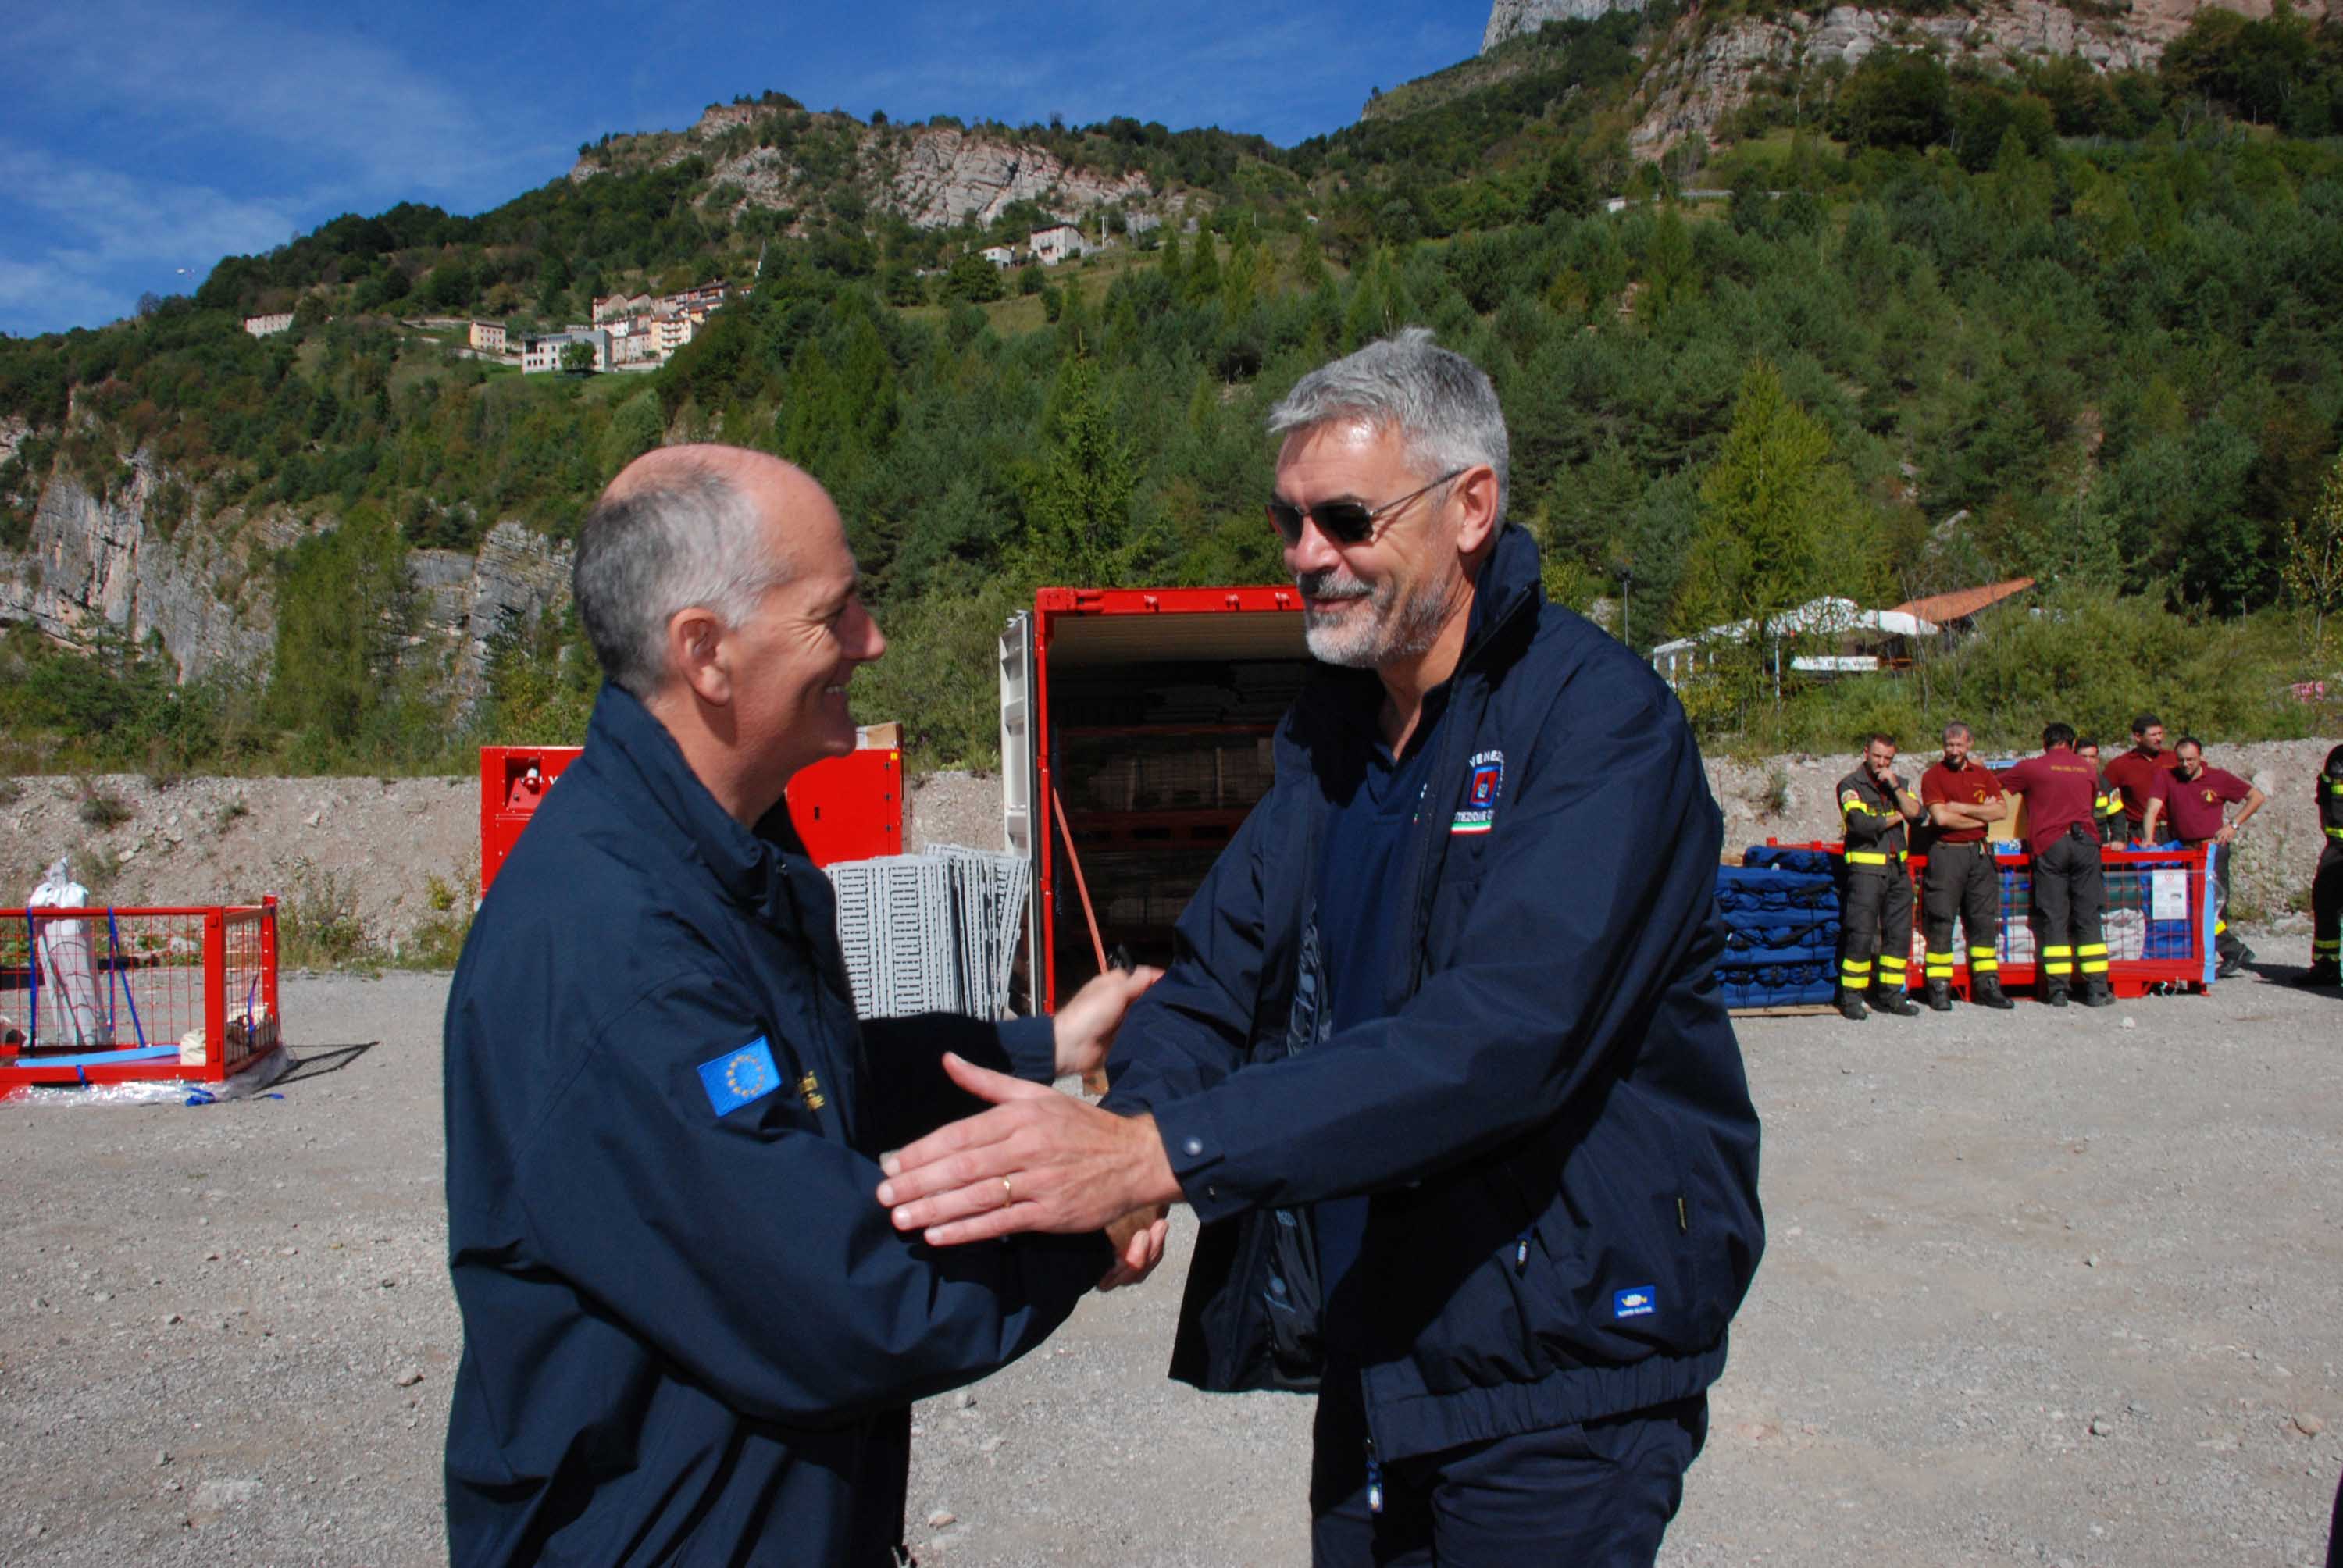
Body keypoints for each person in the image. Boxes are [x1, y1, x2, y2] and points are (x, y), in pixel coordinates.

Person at [873, 330, 1764, 1566]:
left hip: (1561, 1364)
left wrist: (1159, 1155)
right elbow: (1212, 979)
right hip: (1386, 1341)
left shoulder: (1599, 723)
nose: (1307, 556)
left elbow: (1500, 1037)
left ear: (1471, 508)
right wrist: (1132, 1131)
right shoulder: (1333, 740)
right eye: (1289, 521)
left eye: (1344, 518)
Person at [441, 446, 1157, 1567]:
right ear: (706, 653)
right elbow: (837, 1290)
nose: (873, 640)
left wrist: (1041, 1045)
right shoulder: (617, 950)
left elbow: (809, 1081)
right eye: (837, 612)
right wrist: (1089, 1216)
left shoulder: (717, 854)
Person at [1996, 722, 2113, 1007]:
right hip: (2085, 843)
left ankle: (2058, 991)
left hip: (2050, 845)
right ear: (2072, 745)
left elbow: (1998, 785)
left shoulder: (2032, 767)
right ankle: (2097, 989)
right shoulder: (2087, 769)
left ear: (2044, 742)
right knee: (2088, 916)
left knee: (2054, 916)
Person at [2142, 736, 2266, 978]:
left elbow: (2256, 797)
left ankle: (2231, 951)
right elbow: (2152, 808)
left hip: (2211, 850)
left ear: (2201, 758)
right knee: (2187, 904)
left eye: (2191, 760)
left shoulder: (2218, 778)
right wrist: (2149, 839)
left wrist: (2233, 825)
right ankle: (2226, 951)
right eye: (2181, 760)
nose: (2185, 765)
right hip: (2183, 850)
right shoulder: (2167, 777)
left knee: (2212, 904)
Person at [1917, 722, 2014, 1011]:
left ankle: (1987, 983)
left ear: (1970, 744)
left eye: (1959, 745)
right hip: (1947, 853)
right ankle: (1938, 986)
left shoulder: (1983, 775)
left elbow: (2002, 810)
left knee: (1983, 920)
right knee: (1941, 919)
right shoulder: (1933, 776)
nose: (1954, 750)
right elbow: (1941, 818)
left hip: (1980, 855)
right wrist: (1982, 819)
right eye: (1949, 745)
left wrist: (1962, 808)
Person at [1834, 734, 1924, 1021]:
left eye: (1888, 759)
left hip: (1898, 870)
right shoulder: (1850, 785)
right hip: (1866, 871)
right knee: (1860, 933)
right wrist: (1898, 817)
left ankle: (1891, 993)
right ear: (1866, 753)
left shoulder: (1900, 784)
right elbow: (1860, 825)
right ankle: (1852, 996)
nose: (1882, 763)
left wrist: (1895, 787)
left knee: (1898, 935)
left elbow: (1918, 814)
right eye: (1877, 757)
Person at [2101, 713, 2180, 843]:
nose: (2159, 738)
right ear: (2138, 737)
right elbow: (2103, 796)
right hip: (2140, 831)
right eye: (2153, 735)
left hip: (2174, 830)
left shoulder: (2174, 759)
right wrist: (2116, 836)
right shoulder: (2119, 765)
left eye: (2160, 733)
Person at [2302, 743, 2343, 987]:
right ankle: (2326, 965)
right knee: (2325, 900)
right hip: (2336, 846)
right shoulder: (2337, 758)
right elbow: (2323, 799)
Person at [2076, 739, 2127, 844]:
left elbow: (2117, 815)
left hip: (2099, 842)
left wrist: (2118, 839)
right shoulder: (2065, 784)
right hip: (2074, 841)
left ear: (2097, 760)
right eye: (2084, 757)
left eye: (2092, 757)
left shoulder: (2105, 785)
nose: (2088, 761)